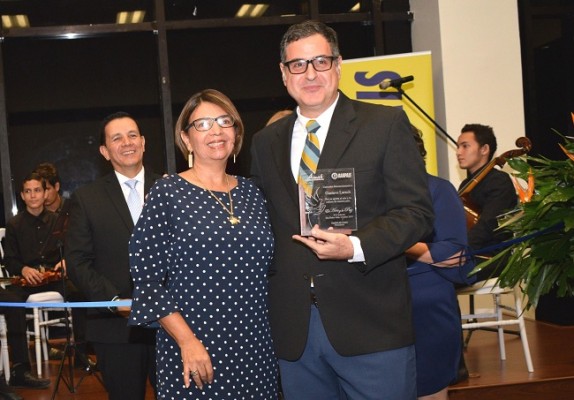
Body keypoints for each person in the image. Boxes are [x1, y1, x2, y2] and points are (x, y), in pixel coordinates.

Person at [250, 20, 434, 400]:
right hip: (294, 332)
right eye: (298, 65)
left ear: (338, 65)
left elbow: (416, 213)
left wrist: (355, 247)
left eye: (320, 61)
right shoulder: (265, 142)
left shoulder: (384, 124)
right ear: (284, 74)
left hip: (371, 324)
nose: (310, 73)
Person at [128, 89, 278, 399]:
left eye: (225, 121)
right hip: (196, 347)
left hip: (256, 348)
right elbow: (148, 279)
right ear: (186, 138)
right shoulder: (168, 191)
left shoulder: (253, 193)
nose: (216, 130)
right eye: (203, 124)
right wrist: (187, 342)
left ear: (236, 132)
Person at [65, 112, 159, 400]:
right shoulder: (86, 198)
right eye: (116, 138)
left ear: (143, 143)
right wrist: (115, 301)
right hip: (115, 330)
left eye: (132, 135)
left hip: (171, 324)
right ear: (105, 151)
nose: (126, 142)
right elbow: (78, 262)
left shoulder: (172, 188)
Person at [406, 127, 475, 400]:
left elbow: (457, 256)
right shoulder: (368, 195)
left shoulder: (438, 189)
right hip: (377, 304)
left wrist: (397, 241)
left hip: (426, 303)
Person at [3, 172, 86, 386]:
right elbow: (10, 260)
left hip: (52, 277)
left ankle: (82, 354)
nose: (33, 195)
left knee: (80, 291)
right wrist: (23, 269)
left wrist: (66, 260)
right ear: (21, 195)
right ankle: (21, 369)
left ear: (45, 193)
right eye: (28, 192)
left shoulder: (59, 221)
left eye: (37, 190)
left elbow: (70, 249)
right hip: (25, 281)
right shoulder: (14, 225)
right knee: (12, 304)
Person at [33, 162, 93, 367]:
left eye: (45, 189)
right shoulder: (32, 216)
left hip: (69, 265)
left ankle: (83, 349)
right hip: (44, 271)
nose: (41, 195)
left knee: (82, 288)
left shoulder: (71, 208)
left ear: (56, 187)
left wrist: (69, 260)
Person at [456, 123, 517, 280]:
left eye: (465, 146)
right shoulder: (465, 185)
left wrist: (459, 252)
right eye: (458, 147)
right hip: (471, 253)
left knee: (440, 278)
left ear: (484, 149)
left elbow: (488, 223)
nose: (458, 152)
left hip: (492, 257)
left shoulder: (499, 181)